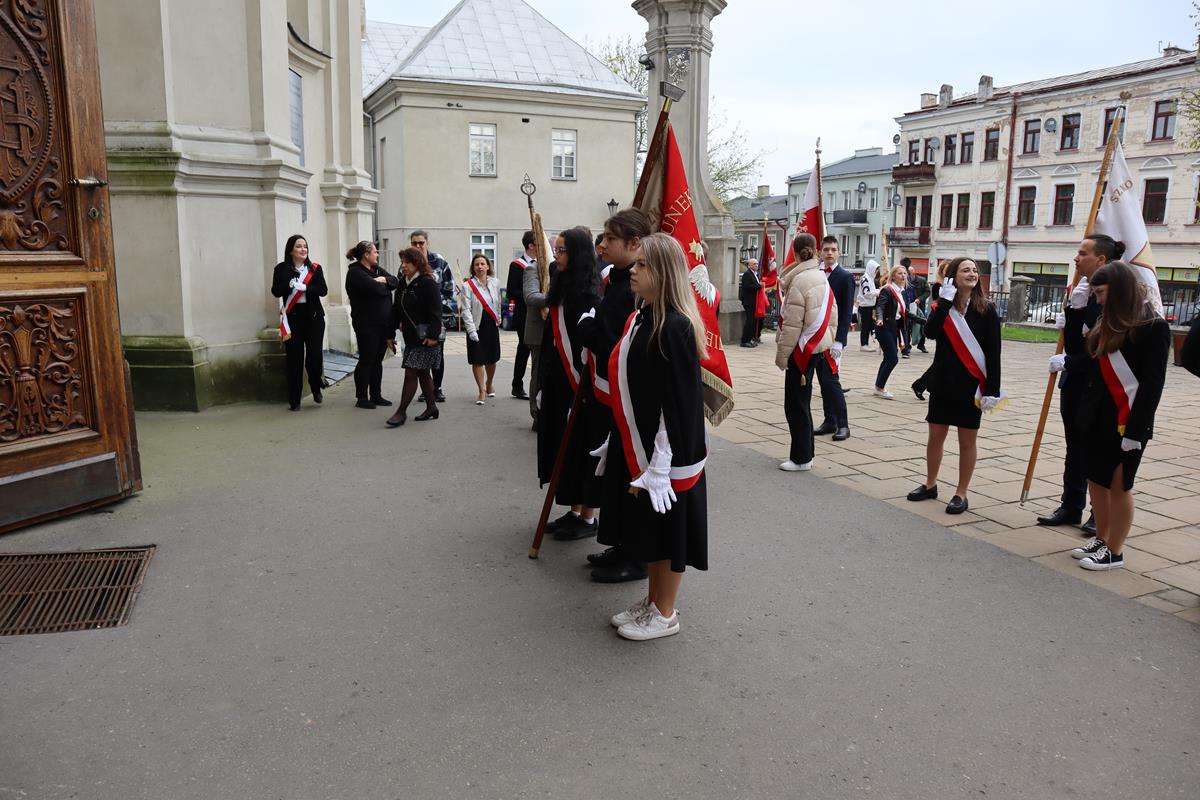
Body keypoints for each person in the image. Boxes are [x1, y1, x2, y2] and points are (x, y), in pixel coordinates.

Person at [599, 232, 709, 641]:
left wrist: (663, 461)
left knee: (670, 530)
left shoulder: (675, 326)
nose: (634, 270)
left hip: (670, 451)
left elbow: (675, 401)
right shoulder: (644, 316)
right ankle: (652, 601)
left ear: (663, 273)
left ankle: (665, 612)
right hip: (646, 443)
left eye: (643, 264)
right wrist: (619, 435)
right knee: (653, 529)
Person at [1069, 261, 1170, 570]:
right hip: (1098, 415)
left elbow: (1152, 384)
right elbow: (1085, 355)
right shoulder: (1107, 322)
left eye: (1101, 293)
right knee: (1096, 480)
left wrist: (1136, 431)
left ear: (1119, 290)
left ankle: (1116, 550)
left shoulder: (1153, 326)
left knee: (1119, 484)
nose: (1098, 299)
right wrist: (1074, 314)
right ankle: (1101, 538)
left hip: (1129, 419)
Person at [583, 208, 651, 582]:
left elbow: (616, 342)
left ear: (635, 243)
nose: (603, 245)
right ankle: (622, 544)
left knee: (631, 477)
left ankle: (636, 556)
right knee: (617, 475)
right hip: (616, 395)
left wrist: (589, 329)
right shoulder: (619, 280)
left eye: (611, 238)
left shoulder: (635, 289)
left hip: (632, 399)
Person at [906, 258, 1003, 514]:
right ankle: (930, 484)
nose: (972, 274)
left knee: (966, 441)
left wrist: (992, 390)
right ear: (953, 277)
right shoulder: (943, 305)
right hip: (942, 382)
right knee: (935, 437)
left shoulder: (987, 309)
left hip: (970, 386)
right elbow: (930, 333)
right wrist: (945, 303)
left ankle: (961, 493)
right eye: (965, 270)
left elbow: (994, 352)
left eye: (974, 270)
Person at [1040, 236, 1118, 534]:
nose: (1076, 258)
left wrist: (1069, 361)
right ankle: (1071, 505)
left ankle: (1100, 513)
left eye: (1083, 253)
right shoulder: (1081, 290)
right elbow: (1075, 343)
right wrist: (1073, 313)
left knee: (1096, 451)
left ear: (1101, 259)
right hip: (1074, 383)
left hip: (1098, 386)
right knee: (1074, 447)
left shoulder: (1113, 295)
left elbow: (1103, 351)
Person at [537, 227, 605, 541]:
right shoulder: (562, 283)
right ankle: (575, 510)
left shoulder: (588, 292)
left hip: (579, 383)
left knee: (581, 449)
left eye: (562, 250)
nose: (557, 255)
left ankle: (588, 517)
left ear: (577, 254)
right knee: (565, 450)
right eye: (557, 249)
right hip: (558, 380)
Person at [774, 233, 835, 471]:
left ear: (795, 253)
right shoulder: (821, 277)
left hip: (801, 350)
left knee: (795, 405)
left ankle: (801, 458)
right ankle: (806, 453)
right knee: (803, 403)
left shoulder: (799, 281)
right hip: (816, 347)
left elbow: (792, 324)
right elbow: (833, 314)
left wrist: (782, 356)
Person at [385, 247, 442, 427]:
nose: (403, 265)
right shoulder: (403, 283)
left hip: (426, 339)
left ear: (417, 263)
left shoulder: (428, 283)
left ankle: (401, 412)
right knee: (423, 374)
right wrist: (390, 334)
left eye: (407, 262)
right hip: (411, 337)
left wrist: (433, 336)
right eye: (402, 262)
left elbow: (436, 312)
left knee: (411, 373)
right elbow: (396, 310)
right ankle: (431, 407)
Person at [271, 234, 328, 411]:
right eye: (299, 246)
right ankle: (294, 400)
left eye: (305, 246)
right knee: (294, 359)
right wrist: (288, 285)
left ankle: (315, 385)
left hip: (314, 318)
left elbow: (323, 290)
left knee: (314, 356)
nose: (303, 249)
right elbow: (275, 291)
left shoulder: (314, 269)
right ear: (290, 250)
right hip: (293, 319)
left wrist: (306, 288)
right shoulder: (281, 269)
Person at [344, 240, 398, 409]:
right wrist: (384, 285)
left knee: (377, 360)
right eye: (375, 252)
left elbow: (395, 281)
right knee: (367, 358)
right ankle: (362, 397)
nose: (377, 254)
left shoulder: (376, 270)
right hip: (366, 324)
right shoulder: (355, 273)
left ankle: (376, 395)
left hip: (383, 324)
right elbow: (378, 290)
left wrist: (384, 280)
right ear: (366, 255)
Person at [813, 236, 853, 441]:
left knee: (831, 381)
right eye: (826, 249)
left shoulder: (844, 277)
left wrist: (840, 340)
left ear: (838, 253)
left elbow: (846, 312)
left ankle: (843, 425)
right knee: (822, 381)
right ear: (820, 252)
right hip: (816, 336)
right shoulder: (816, 274)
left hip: (832, 338)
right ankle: (830, 420)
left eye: (833, 249)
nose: (829, 253)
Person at [408, 230, 450, 403]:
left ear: (427, 243)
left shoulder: (439, 261)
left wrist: (441, 312)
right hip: (415, 320)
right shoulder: (407, 263)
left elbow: (448, 288)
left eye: (421, 242)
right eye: (414, 243)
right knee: (418, 357)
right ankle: (426, 390)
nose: (418, 246)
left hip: (436, 318)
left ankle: (437, 389)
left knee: (437, 355)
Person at [461, 253, 502, 405]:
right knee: (477, 359)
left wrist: (498, 318)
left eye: (482, 264)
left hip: (491, 324)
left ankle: (489, 383)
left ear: (488, 266)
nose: (480, 267)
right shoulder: (467, 286)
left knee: (492, 358)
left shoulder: (495, 283)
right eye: (476, 264)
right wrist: (471, 330)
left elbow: (498, 303)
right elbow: (465, 310)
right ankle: (481, 390)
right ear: (473, 268)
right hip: (476, 325)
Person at [506, 233, 536, 400]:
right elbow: (511, 291)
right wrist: (532, 295)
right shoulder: (517, 265)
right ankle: (517, 385)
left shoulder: (543, 264)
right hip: (524, 314)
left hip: (538, 314)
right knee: (524, 350)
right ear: (530, 245)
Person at [522, 234, 547, 427]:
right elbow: (531, 297)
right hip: (538, 332)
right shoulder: (532, 269)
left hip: (553, 331)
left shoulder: (558, 271)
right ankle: (536, 415)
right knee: (538, 375)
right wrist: (556, 297)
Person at [873, 265, 908, 398]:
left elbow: (904, 312)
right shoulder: (887, 290)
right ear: (893, 276)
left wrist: (923, 320)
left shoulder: (901, 292)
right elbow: (880, 306)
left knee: (888, 358)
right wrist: (879, 318)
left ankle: (878, 387)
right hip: (884, 327)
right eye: (900, 273)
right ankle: (880, 387)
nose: (903, 276)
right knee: (893, 358)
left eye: (905, 273)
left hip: (894, 328)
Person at [855, 258, 880, 350]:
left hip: (869, 305)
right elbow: (867, 293)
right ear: (871, 268)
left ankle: (866, 343)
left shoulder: (870, 278)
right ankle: (864, 344)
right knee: (865, 326)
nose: (876, 271)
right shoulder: (865, 279)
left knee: (869, 326)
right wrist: (878, 292)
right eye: (875, 269)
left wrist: (878, 290)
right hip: (865, 306)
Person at [738, 258, 762, 347]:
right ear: (749, 265)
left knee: (753, 322)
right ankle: (744, 341)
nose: (756, 265)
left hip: (754, 301)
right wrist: (759, 286)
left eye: (757, 264)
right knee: (749, 321)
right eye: (754, 264)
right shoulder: (747, 274)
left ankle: (750, 339)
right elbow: (747, 287)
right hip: (749, 302)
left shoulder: (755, 274)